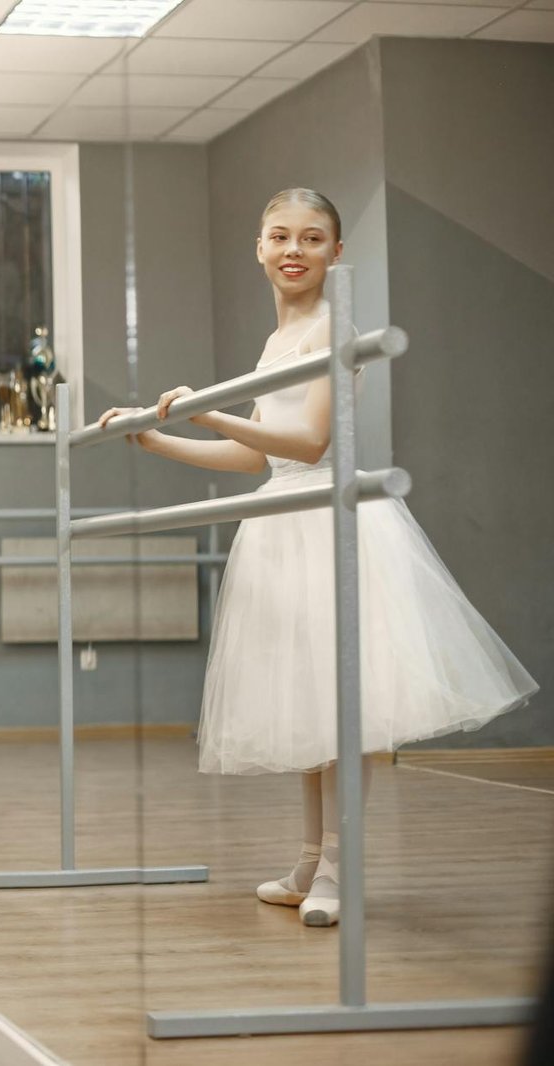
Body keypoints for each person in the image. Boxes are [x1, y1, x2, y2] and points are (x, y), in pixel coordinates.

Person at [97, 187, 537, 927]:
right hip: (282, 524)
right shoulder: (274, 343)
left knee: (345, 708)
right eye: (279, 236)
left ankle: (340, 863)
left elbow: (312, 445)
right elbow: (254, 457)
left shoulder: (337, 327)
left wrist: (204, 406)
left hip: (335, 524)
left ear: (336, 253)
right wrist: (156, 437)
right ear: (259, 249)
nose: (292, 250)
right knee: (306, 706)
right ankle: (310, 856)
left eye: (310, 238)